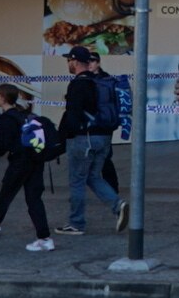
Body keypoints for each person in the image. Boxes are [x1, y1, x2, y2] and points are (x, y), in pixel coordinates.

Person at [53, 46, 128, 237]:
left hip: (84, 140)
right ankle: (118, 205)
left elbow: (73, 116)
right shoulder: (97, 83)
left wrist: (59, 140)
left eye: (69, 60)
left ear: (75, 61)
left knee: (77, 180)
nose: (68, 64)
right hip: (104, 138)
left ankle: (76, 223)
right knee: (93, 176)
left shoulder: (78, 84)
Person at [0, 84, 54, 252]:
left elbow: (4, 144)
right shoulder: (24, 113)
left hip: (20, 163)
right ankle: (44, 238)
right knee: (34, 199)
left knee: (4, 198)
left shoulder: (7, 118)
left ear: (3, 98)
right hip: (35, 160)